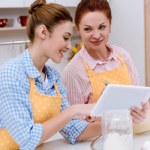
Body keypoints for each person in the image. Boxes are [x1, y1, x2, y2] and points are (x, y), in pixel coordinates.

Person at [0, 0, 101, 149]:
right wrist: (74, 110)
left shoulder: (52, 77)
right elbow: (27, 139)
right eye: (65, 38)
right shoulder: (11, 74)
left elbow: (72, 129)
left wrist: (117, 120)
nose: (69, 46)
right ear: (43, 32)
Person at [62, 0, 149, 128]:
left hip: (130, 135)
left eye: (102, 27)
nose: (96, 35)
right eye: (87, 29)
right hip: (94, 143)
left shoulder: (123, 56)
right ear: (78, 30)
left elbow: (138, 99)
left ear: (110, 25)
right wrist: (99, 117)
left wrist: (141, 111)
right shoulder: (73, 71)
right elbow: (73, 127)